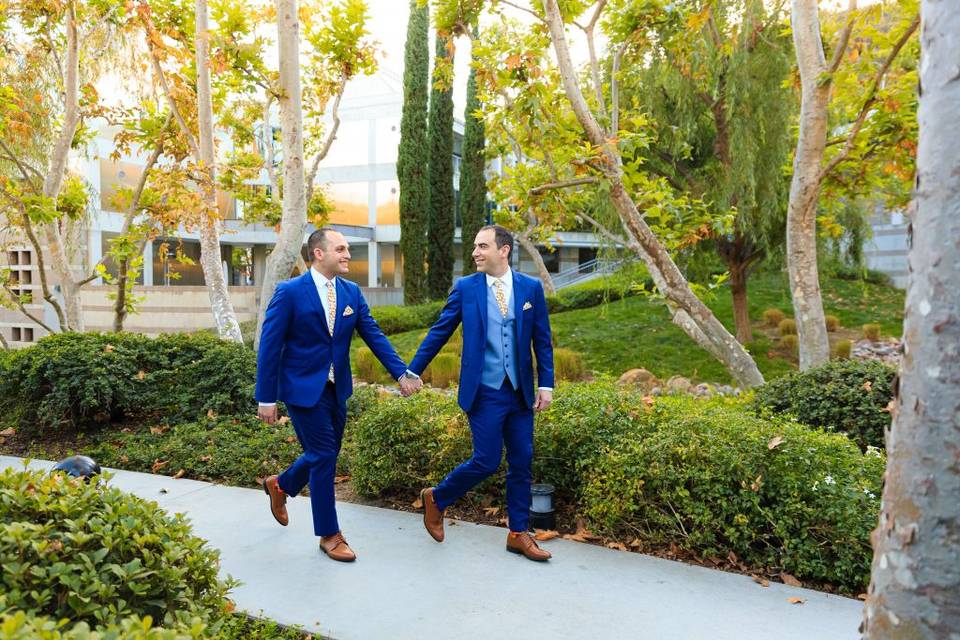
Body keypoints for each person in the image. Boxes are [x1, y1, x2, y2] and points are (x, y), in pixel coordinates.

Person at [255, 227, 421, 562]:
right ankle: (329, 534)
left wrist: (401, 373)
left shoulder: (351, 293)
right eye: (342, 249)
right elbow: (270, 347)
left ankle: (281, 485)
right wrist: (266, 397)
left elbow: (373, 335)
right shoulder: (289, 292)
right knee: (325, 456)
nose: (348, 255)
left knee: (323, 453)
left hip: (337, 388)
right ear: (319, 253)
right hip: (301, 389)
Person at [405, 225, 555, 561]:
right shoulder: (467, 288)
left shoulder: (530, 288)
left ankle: (518, 533)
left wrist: (546, 383)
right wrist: (413, 370)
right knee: (486, 460)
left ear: (503, 250)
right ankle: (438, 498)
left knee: (522, 461)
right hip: (484, 390)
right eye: (474, 246)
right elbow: (440, 330)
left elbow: (542, 341)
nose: (475, 252)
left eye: (482, 246)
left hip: (519, 392)